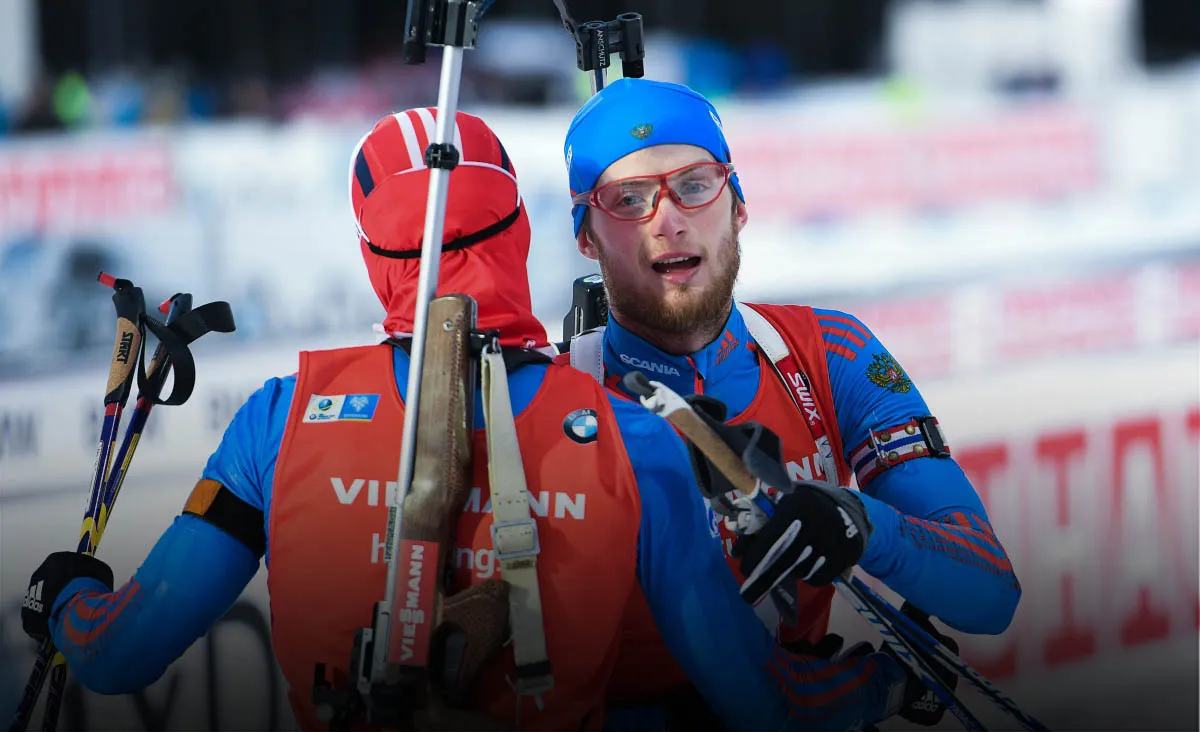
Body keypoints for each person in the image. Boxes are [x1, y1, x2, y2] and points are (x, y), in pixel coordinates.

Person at [20, 108, 939, 732]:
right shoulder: (635, 436)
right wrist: (886, 682)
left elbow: (116, 655)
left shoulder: (279, 420)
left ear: (374, 255)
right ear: (518, 234)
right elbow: (761, 704)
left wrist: (64, 598)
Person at [558, 77, 1022, 718]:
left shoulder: (828, 351)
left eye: (694, 185)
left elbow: (990, 594)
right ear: (586, 237)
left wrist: (859, 525)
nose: (667, 220)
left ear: (738, 204)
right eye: (628, 199)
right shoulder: (559, 402)